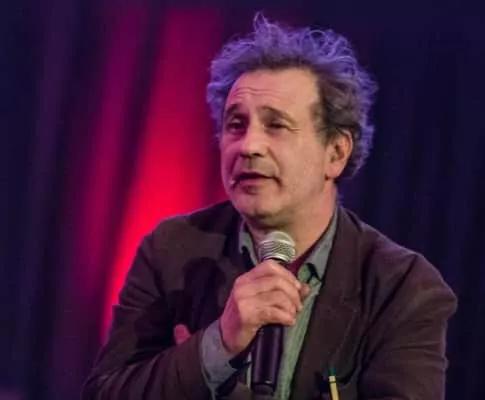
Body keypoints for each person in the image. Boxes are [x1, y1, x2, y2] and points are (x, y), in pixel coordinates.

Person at [82, 13, 457, 400]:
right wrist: (218, 344)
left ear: (336, 153)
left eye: (276, 125)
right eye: (236, 125)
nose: (248, 146)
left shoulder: (402, 288)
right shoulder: (171, 250)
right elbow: (105, 393)